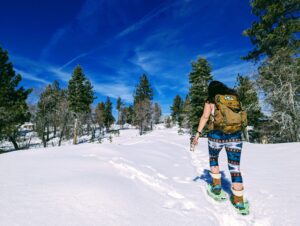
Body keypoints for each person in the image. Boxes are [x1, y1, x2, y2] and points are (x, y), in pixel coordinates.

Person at [192, 80, 246, 210]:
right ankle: (239, 200)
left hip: (216, 135)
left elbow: (205, 117)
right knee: (235, 167)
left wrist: (198, 134)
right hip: (235, 136)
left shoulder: (211, 100)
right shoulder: (234, 97)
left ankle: (216, 187)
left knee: (213, 158)